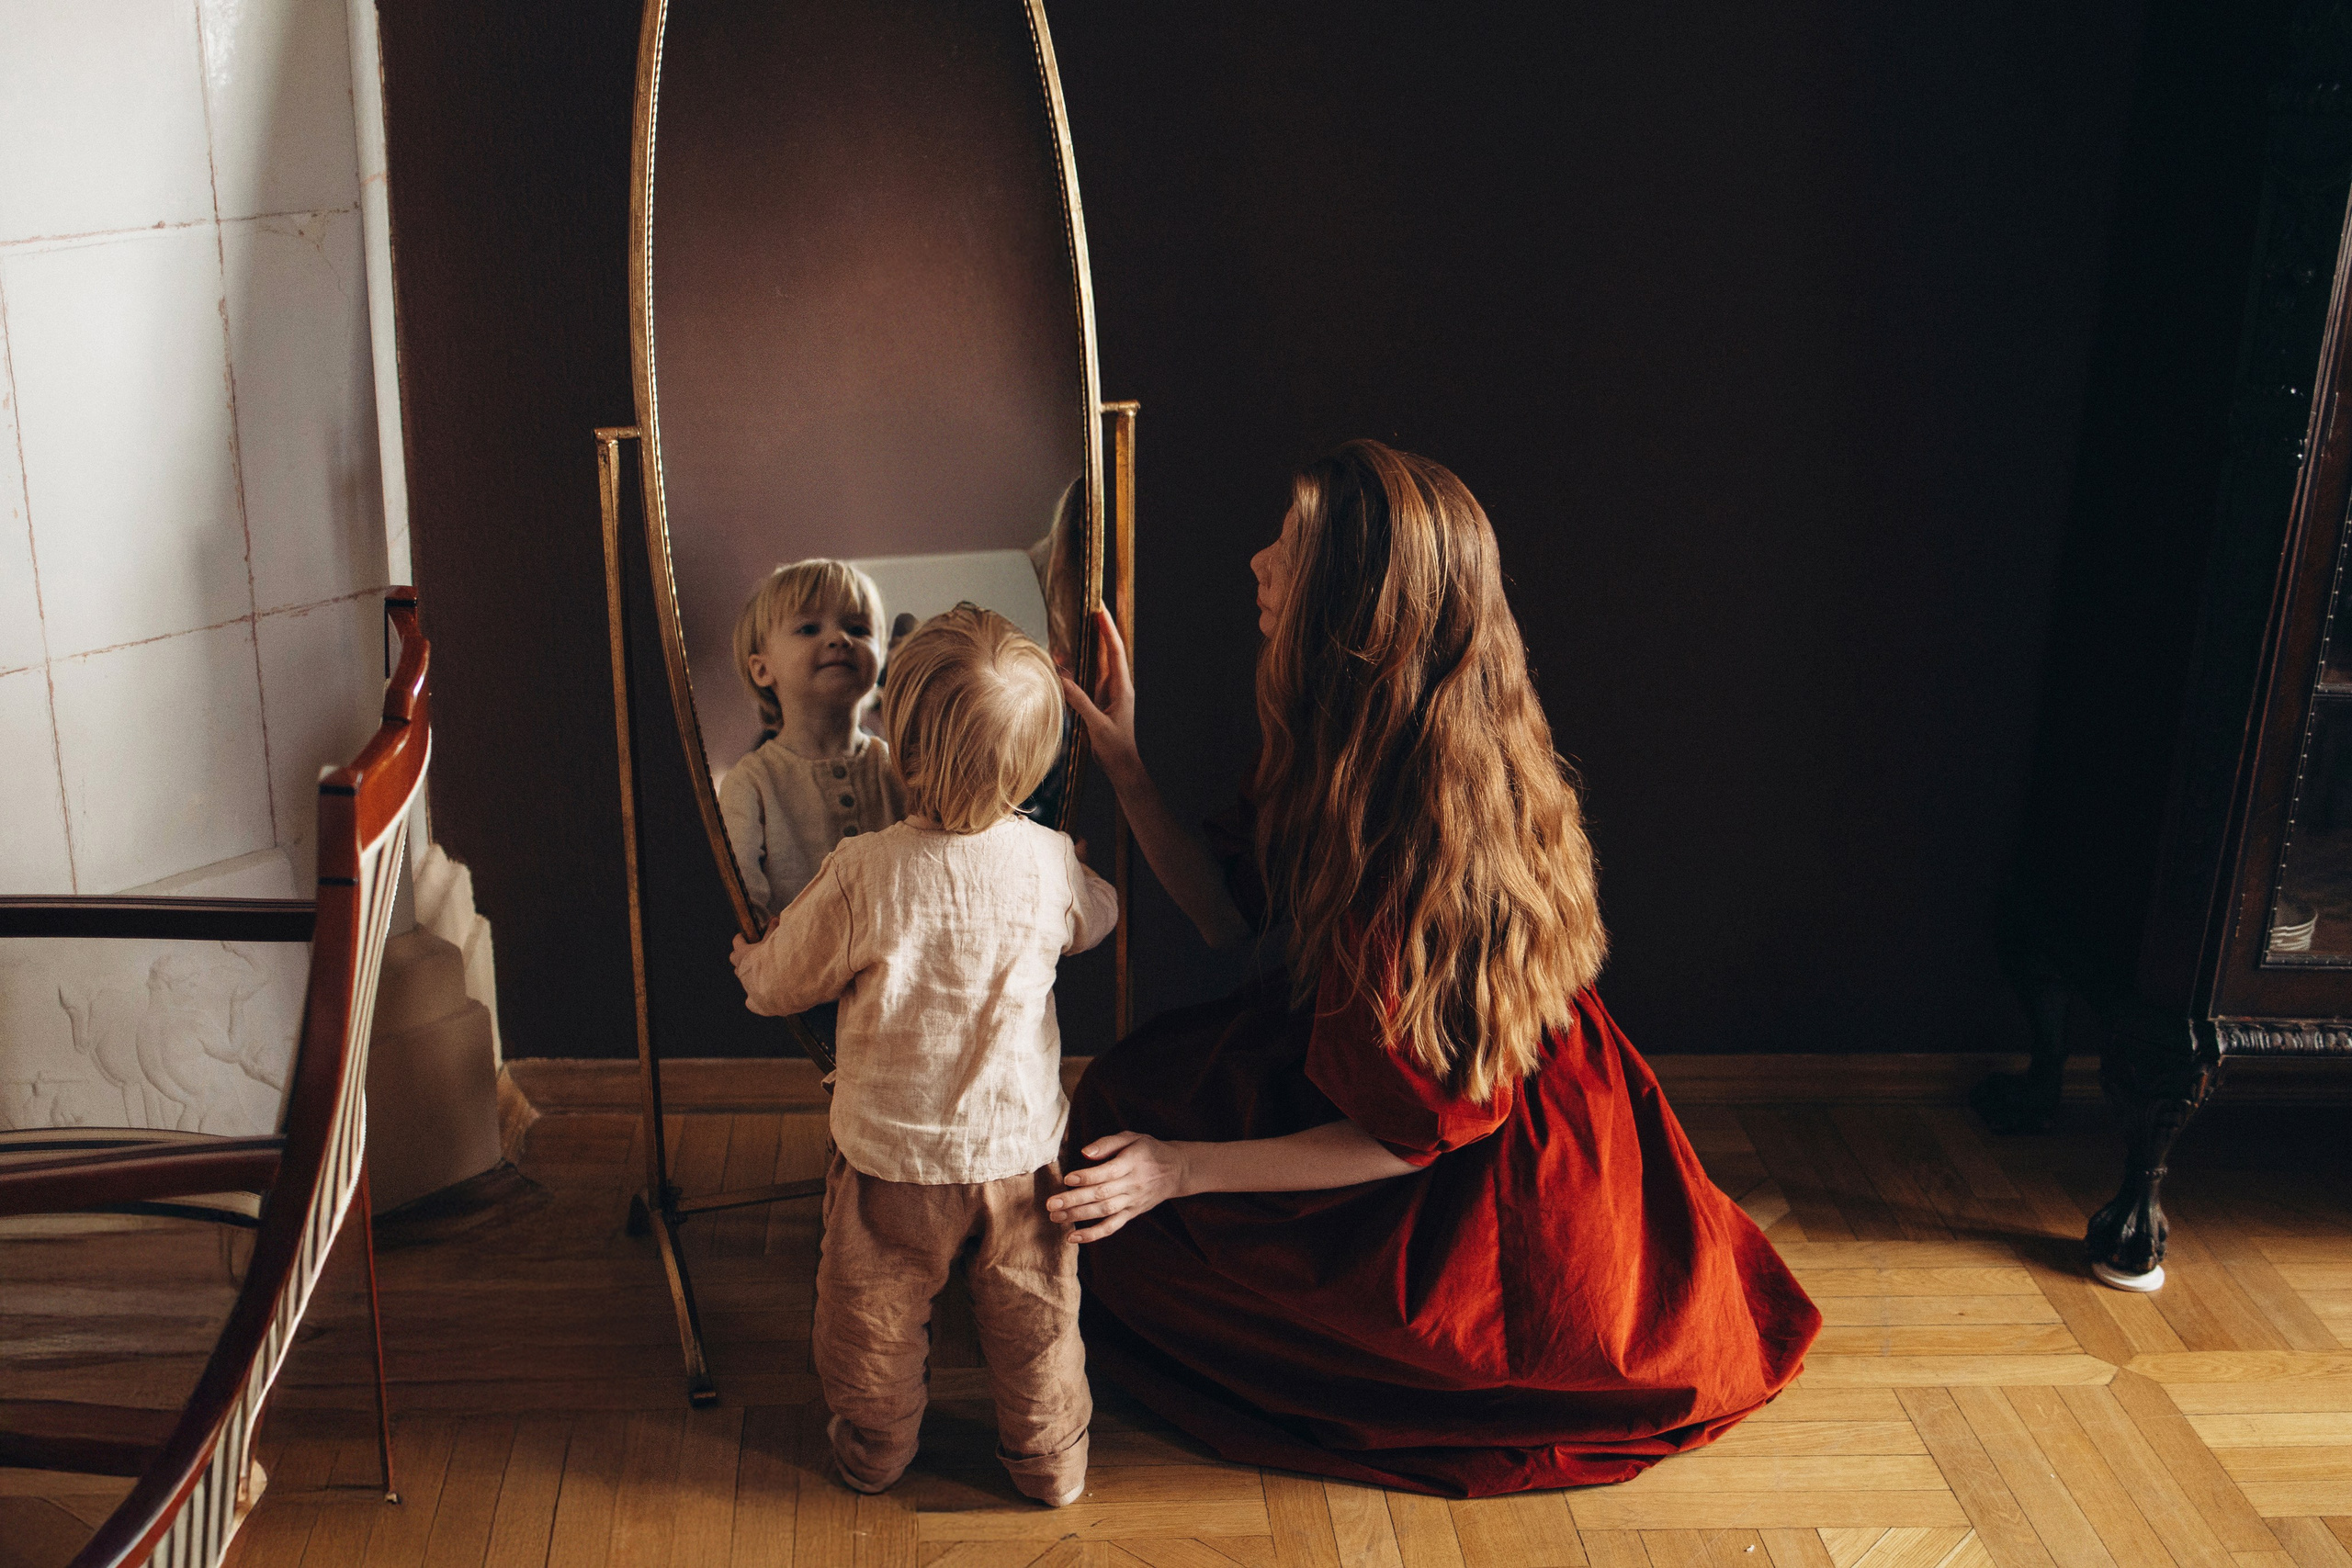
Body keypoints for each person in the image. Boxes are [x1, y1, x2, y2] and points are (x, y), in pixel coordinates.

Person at [1048, 440, 1820, 1498]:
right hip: (1387, 1074)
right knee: (1118, 1111)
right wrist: (1126, 763)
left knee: (1151, 1233)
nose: (1257, 561)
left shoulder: (1407, 845)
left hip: (1474, 1158)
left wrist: (1179, 1170)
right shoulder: (1334, 736)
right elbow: (1228, 920)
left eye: (1289, 548)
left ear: (1350, 606)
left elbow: (1404, 1139)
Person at [730, 605, 1118, 1506]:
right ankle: (1050, 1459)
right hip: (1020, 1156)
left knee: (871, 1318)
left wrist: (753, 962)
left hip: (891, 1164)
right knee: (1036, 1321)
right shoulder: (1048, 862)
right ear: (1034, 764)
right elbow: (1097, 918)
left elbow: (785, 982)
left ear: (900, 749)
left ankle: (877, 1446)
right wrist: (1073, 871)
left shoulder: (864, 870)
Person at [720, 559, 908, 919]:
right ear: (762, 669)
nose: (840, 639)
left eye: (858, 628)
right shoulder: (751, 783)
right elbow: (744, 905)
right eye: (808, 629)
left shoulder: (897, 769)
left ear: (880, 657)